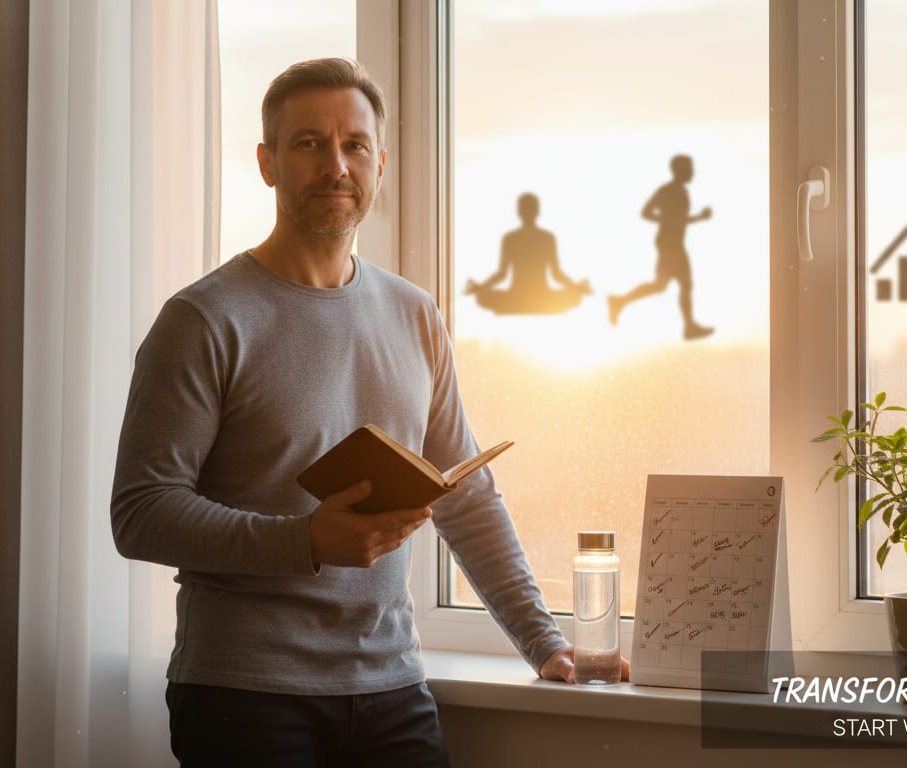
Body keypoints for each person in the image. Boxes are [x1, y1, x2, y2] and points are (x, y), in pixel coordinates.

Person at [110, 58, 594, 767]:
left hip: (393, 688)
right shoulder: (203, 319)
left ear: (380, 163)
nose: (335, 165)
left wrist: (544, 642)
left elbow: (466, 497)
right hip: (243, 694)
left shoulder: (414, 313)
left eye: (354, 145)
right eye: (308, 143)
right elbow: (141, 512)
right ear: (267, 163)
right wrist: (307, 541)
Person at [607, 154, 714, 340]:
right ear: (679, 170)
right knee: (681, 285)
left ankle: (619, 301)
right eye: (689, 168)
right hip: (669, 244)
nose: (693, 172)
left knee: (662, 286)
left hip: (674, 243)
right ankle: (689, 327)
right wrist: (670, 220)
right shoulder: (667, 190)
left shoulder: (682, 191)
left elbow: (678, 220)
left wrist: (696, 218)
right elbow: (646, 212)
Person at [465, 192, 590, 315]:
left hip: (517, 298)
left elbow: (501, 274)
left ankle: (522, 305)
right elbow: (556, 274)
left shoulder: (514, 238)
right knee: (574, 296)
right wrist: (576, 288)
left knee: (482, 296)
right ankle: (539, 306)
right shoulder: (541, 237)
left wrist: (480, 288)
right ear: (537, 211)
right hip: (541, 298)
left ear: (519, 212)